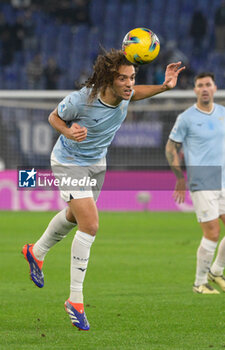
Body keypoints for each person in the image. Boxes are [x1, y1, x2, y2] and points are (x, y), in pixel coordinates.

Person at [22, 48, 185, 330]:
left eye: (132, 77)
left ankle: (35, 251)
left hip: (97, 163)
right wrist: (68, 131)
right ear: (110, 78)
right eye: (123, 78)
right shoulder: (82, 99)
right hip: (69, 162)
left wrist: (163, 86)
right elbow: (54, 118)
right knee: (91, 224)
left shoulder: (126, 94)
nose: (130, 84)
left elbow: (138, 93)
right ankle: (75, 299)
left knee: (74, 218)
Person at [165, 72, 225, 294]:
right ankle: (199, 283)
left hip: (223, 181)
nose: (204, 89)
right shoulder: (186, 118)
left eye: (208, 84)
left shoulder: (223, 114)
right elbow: (171, 148)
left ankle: (216, 271)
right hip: (202, 182)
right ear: (195, 90)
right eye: (200, 85)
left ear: (215, 87)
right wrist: (180, 177)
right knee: (212, 232)